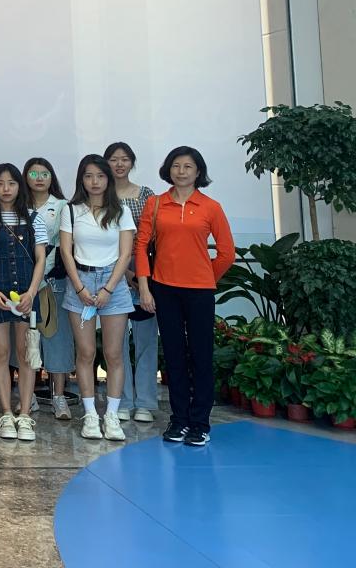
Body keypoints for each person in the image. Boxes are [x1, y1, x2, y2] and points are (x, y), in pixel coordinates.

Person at [136, 146, 234, 448]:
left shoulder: (211, 207)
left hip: (200, 292)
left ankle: (200, 423)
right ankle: (178, 420)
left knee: (201, 355)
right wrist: (144, 288)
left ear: (198, 171)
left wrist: (205, 277)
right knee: (174, 355)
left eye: (188, 166)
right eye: (176, 165)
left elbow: (227, 253)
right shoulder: (155, 204)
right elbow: (141, 246)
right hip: (164, 289)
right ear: (168, 169)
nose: (181, 171)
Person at [60, 154, 136, 442]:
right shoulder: (71, 210)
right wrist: (80, 288)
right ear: (81, 179)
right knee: (86, 352)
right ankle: (91, 414)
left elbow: (125, 254)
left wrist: (108, 289)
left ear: (108, 179)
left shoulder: (121, 210)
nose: (95, 182)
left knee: (114, 354)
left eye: (100, 176)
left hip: (113, 283)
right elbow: (66, 252)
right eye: (89, 176)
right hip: (79, 282)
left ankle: (112, 415)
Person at [0, 164, 47, 442]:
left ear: (20, 186)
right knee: (0, 351)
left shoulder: (34, 218)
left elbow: (41, 259)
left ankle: (25, 414)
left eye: (11, 183)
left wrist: (32, 292)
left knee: (26, 352)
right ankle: (6, 413)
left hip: (27, 294)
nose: (6, 189)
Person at [105, 141, 159, 424]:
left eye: (125, 159)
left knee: (146, 339)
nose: (119, 164)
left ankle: (146, 402)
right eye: (114, 159)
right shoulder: (101, 195)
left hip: (143, 271)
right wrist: (122, 272)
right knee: (117, 342)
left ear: (132, 163)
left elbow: (154, 236)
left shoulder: (146, 194)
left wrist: (140, 274)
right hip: (109, 270)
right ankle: (122, 400)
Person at [26, 156, 74, 421]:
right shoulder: (18, 206)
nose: (39, 179)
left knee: (57, 339)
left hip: (55, 281)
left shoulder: (63, 206)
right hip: (25, 285)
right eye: (33, 174)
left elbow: (65, 244)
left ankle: (59, 396)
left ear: (51, 177)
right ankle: (28, 395)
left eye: (44, 174)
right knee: (25, 340)